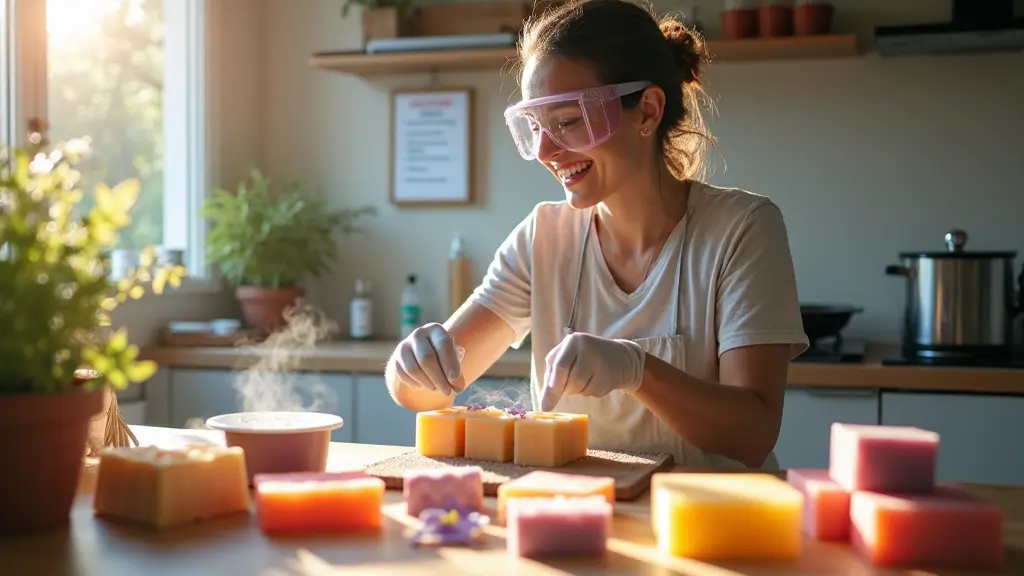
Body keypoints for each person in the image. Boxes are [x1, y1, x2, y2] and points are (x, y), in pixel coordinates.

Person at [384, 0, 808, 469]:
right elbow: (426, 390)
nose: (547, 150)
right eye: (537, 127)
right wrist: (409, 365)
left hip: (707, 528)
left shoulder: (741, 229)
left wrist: (637, 370)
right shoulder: (544, 238)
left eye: (567, 121)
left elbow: (752, 435)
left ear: (647, 110)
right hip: (576, 520)